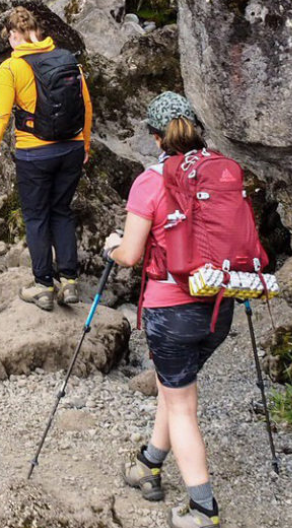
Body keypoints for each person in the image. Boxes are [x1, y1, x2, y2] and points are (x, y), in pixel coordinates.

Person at [104, 92, 233, 528]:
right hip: (218, 305)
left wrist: (112, 246)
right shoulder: (220, 172)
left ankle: (203, 508)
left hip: (171, 310)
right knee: (173, 386)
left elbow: (130, 254)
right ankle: (148, 463)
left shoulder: (151, 182)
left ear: (157, 139)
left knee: (181, 406)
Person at [0, 7, 92, 311]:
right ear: (39, 32)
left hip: (34, 153)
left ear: (15, 36)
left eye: (10, 38)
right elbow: (86, 106)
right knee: (62, 211)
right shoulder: (68, 60)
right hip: (70, 148)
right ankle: (69, 281)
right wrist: (85, 145)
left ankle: (44, 285)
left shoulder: (11, 69)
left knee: (37, 216)